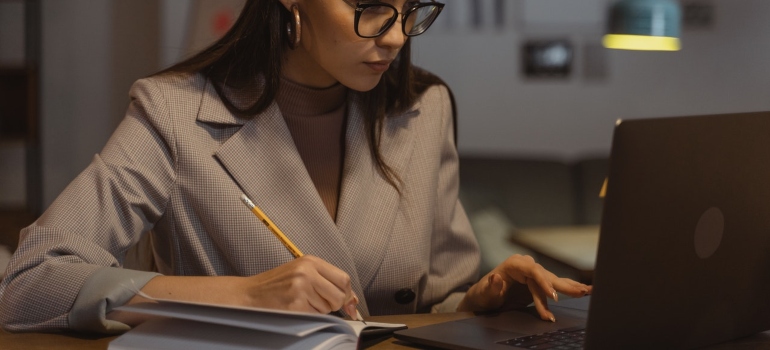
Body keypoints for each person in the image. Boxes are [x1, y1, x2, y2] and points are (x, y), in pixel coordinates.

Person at [0, 0, 590, 334]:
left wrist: (479, 301)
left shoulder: (421, 108)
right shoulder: (176, 113)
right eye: (368, 9)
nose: (394, 37)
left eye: (411, 10)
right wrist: (242, 296)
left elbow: (428, 307)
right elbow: (30, 284)